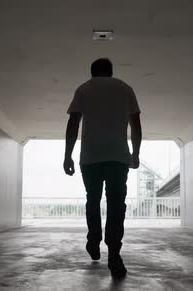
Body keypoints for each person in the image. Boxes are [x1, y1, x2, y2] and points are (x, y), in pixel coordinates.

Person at [63, 58, 142, 278]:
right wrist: (135, 153)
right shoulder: (125, 89)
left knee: (93, 199)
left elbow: (73, 124)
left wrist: (67, 155)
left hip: (90, 158)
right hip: (117, 157)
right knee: (117, 204)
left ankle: (93, 240)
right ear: (111, 72)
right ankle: (114, 254)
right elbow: (136, 124)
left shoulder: (83, 89)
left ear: (92, 73)